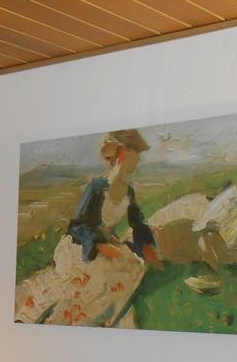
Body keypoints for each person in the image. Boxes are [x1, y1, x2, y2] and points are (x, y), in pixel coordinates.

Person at [15, 129, 158, 328]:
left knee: (133, 266)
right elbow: (78, 225)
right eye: (136, 154)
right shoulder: (97, 187)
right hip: (82, 247)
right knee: (86, 284)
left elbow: (138, 223)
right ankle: (43, 317)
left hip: (107, 245)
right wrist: (99, 245)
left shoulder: (129, 192)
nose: (138, 160)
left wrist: (148, 245)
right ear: (123, 154)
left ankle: (103, 315)